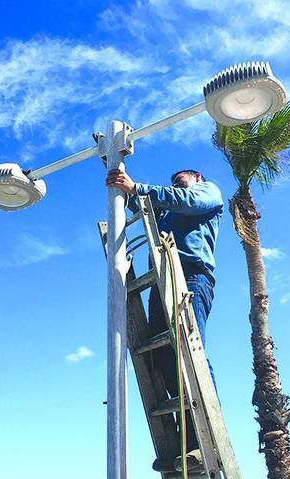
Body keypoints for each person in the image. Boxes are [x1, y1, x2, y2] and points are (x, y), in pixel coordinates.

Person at [106, 168, 223, 472]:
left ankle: (205, 442)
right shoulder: (169, 211)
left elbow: (182, 199)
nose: (174, 184)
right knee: (162, 360)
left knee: (188, 353)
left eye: (179, 179)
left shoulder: (207, 191)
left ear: (197, 176)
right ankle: (181, 443)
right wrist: (121, 179)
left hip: (191, 279)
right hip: (161, 283)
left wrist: (137, 186)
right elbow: (146, 209)